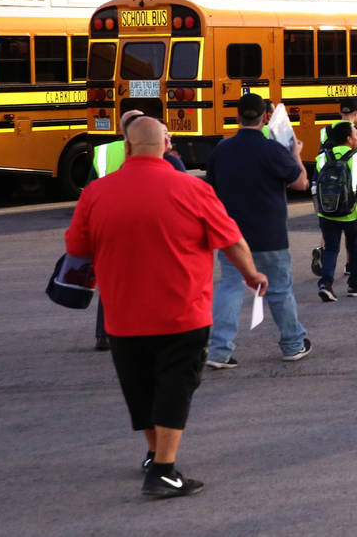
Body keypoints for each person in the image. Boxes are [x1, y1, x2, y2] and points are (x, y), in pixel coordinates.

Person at [66, 116, 267, 498]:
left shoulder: (95, 193)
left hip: (123, 314)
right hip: (183, 312)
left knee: (139, 387)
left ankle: (153, 452)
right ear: (167, 145)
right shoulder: (193, 188)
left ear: (127, 147)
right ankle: (163, 470)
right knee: (176, 386)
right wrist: (252, 274)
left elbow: (77, 248)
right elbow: (232, 240)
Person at [205, 93, 312, 368]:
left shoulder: (221, 151)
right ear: (265, 118)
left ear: (237, 118)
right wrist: (296, 155)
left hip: (231, 235)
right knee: (279, 290)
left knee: (230, 287)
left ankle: (219, 351)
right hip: (270, 235)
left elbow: (210, 191)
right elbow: (301, 183)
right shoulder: (273, 150)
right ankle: (292, 344)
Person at [87, 109, 186, 351]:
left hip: (111, 223)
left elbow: (88, 193)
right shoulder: (157, 151)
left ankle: (105, 335)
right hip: (150, 224)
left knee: (112, 281)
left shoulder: (104, 152)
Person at [314, 97, 357, 275]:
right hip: (348, 188)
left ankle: (323, 250)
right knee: (353, 231)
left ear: (340, 112)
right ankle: (350, 264)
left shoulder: (326, 130)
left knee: (330, 221)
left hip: (327, 185)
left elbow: (320, 155)